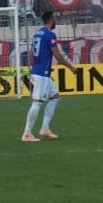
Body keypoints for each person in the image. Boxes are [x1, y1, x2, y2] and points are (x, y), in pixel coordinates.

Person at [22, 11, 80, 142]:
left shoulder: (37, 34)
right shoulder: (49, 35)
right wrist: (71, 67)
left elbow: (31, 53)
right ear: (51, 20)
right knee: (37, 102)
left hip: (40, 72)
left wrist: (32, 67)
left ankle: (45, 128)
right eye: (54, 19)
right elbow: (58, 56)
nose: (56, 21)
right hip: (42, 73)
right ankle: (27, 134)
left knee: (55, 98)